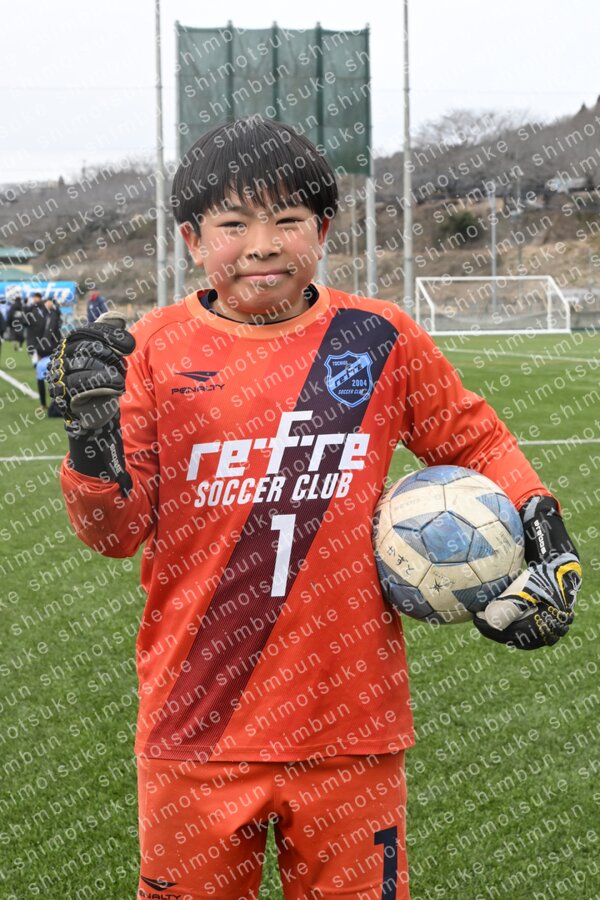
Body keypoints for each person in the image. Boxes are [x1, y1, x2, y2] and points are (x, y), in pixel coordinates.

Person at [48, 117, 581, 899]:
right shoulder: (154, 349)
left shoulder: (377, 337)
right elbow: (116, 533)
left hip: (351, 729)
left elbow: (475, 440)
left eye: (288, 219)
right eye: (234, 224)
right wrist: (92, 448)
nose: (262, 245)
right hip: (196, 726)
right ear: (192, 240)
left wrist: (543, 524)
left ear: (324, 230)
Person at [26, 293, 62, 410]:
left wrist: (54, 307)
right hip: (42, 349)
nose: (47, 304)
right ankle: (43, 404)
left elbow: (56, 322)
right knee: (40, 376)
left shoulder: (55, 314)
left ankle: (57, 404)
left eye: (49, 302)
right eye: (46, 302)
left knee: (56, 376)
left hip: (53, 350)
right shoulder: (44, 314)